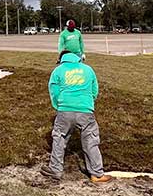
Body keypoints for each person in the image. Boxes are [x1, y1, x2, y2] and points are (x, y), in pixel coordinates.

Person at [40, 52, 112, 184]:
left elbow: (54, 92)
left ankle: (55, 170)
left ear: (61, 59)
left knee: (59, 138)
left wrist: (58, 106)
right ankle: (96, 174)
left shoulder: (58, 71)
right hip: (86, 110)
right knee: (91, 140)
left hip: (65, 110)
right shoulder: (88, 69)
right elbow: (94, 90)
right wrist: (88, 103)